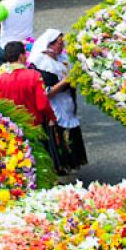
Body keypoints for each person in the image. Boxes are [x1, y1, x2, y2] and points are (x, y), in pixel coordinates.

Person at [29, 30, 87, 173]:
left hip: (66, 102)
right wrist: (66, 82)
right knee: (57, 135)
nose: (62, 46)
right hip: (54, 106)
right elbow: (46, 92)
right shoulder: (42, 64)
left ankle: (70, 162)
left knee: (69, 133)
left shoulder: (62, 59)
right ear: (50, 45)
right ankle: (58, 167)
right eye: (60, 44)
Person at [0, 41, 56, 128]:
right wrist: (51, 117)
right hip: (34, 126)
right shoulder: (34, 76)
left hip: (10, 130)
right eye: (25, 55)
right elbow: (42, 105)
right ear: (21, 56)